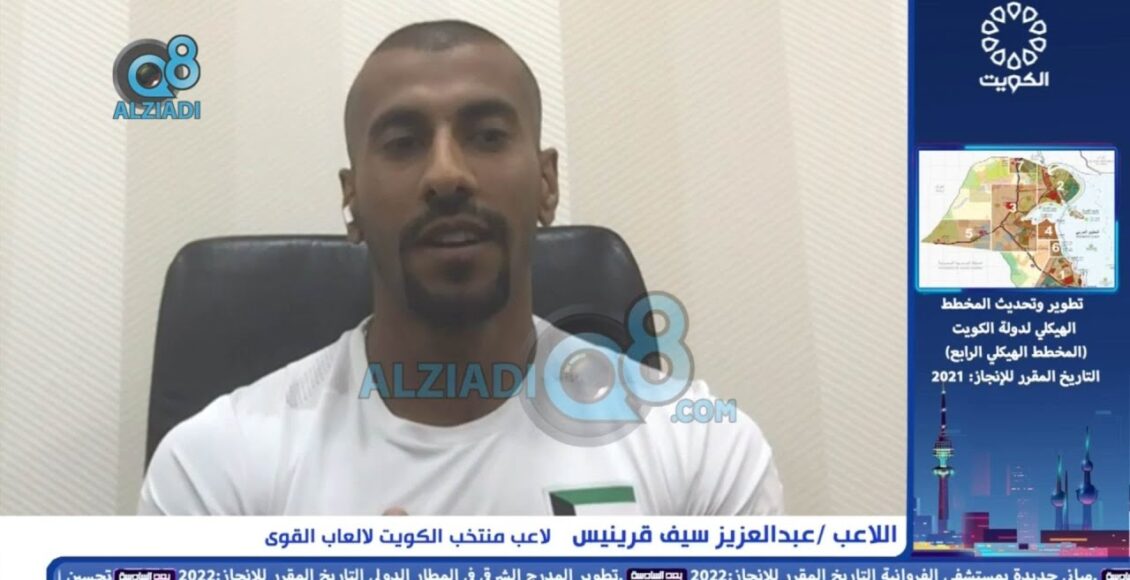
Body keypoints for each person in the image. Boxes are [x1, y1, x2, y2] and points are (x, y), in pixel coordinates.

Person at [138, 20, 784, 516]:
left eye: (488, 136)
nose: (447, 174)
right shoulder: (217, 468)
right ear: (352, 200)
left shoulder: (701, 450)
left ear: (547, 184)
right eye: (403, 143)